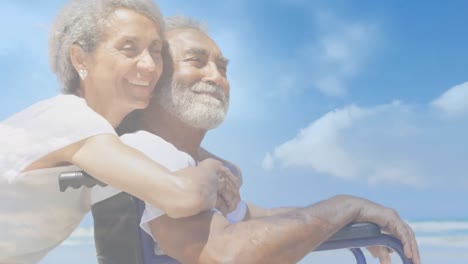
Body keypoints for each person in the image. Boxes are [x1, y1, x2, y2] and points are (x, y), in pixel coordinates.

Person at [106, 16, 421, 264]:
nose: (217, 78)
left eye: (222, 67)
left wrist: (356, 215)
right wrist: (344, 207)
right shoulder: (149, 150)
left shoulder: (194, 164)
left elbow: (260, 219)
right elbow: (225, 254)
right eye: (196, 61)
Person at [0, 2, 238, 263]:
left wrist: (225, 169)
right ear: (80, 59)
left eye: (156, 51)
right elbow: (182, 196)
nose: (149, 65)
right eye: (129, 49)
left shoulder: (103, 138)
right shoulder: (71, 119)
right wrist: (214, 170)